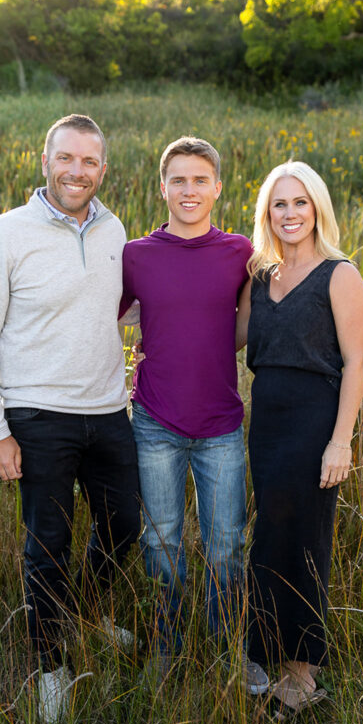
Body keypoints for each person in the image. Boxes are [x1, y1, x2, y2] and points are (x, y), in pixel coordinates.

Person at [0, 114, 140, 723]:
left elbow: (119, 307)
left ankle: (86, 611)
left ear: (103, 169)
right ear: (45, 162)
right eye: (66, 158)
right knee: (48, 544)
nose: (76, 172)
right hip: (37, 415)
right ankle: (51, 666)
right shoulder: (3, 235)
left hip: (108, 410)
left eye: (89, 161)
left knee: (124, 526)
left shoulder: (114, 229)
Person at [120, 137, 269, 694]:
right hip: (154, 422)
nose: (189, 190)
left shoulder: (240, 252)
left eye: (200, 180)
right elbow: (99, 317)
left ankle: (229, 650)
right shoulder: (136, 255)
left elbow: (251, 321)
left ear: (217, 188)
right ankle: (167, 648)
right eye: (178, 180)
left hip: (221, 425)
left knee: (226, 544)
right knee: (162, 544)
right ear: (162, 188)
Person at [236, 161, 363, 712]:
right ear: (266, 213)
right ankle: (264, 652)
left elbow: (357, 362)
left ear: (317, 208)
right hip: (267, 421)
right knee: (270, 535)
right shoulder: (259, 276)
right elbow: (230, 337)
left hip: (315, 422)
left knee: (304, 540)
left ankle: (302, 672)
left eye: (300, 202)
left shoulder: (339, 274)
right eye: (279, 204)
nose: (290, 214)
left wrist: (341, 441)